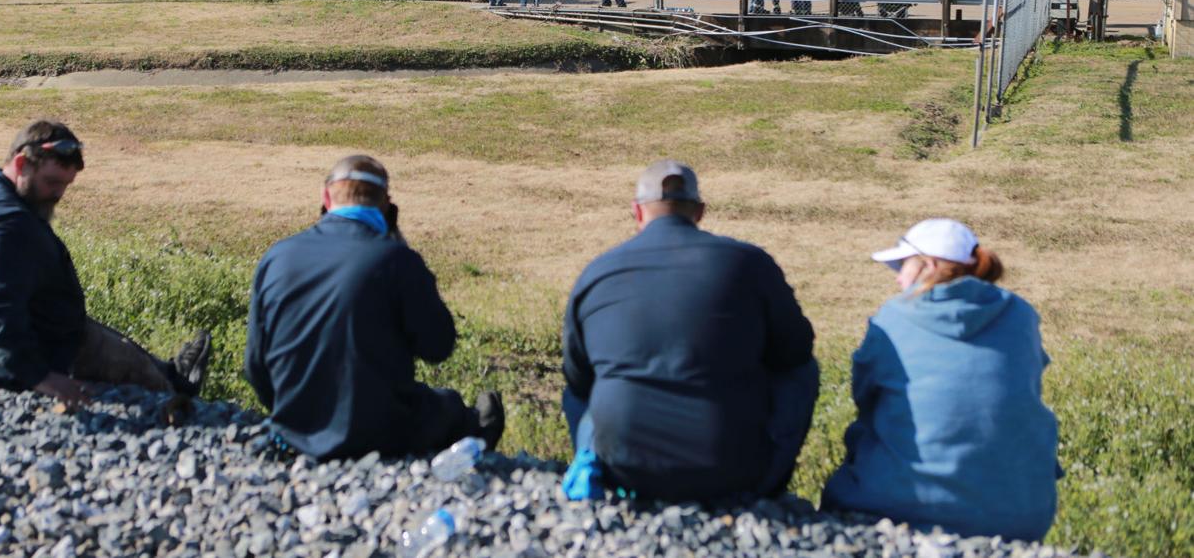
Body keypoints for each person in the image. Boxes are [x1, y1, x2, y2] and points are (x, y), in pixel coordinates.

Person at [562, 161, 817, 502]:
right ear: (699, 211)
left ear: (637, 212)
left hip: (624, 467)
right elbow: (795, 351)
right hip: (729, 469)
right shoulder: (750, 264)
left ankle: (592, 467)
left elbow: (577, 378)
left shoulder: (598, 272)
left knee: (583, 388)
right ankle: (767, 486)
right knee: (803, 371)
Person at [0, 121, 214, 407]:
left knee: (103, 339)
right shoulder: (9, 227)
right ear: (21, 163)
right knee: (154, 386)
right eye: (52, 182)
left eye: (65, 185)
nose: (58, 194)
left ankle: (171, 371)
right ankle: (175, 389)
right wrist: (40, 376)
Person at [244, 155, 505, 459]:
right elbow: (438, 347)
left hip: (293, 428)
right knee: (450, 407)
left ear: (326, 197)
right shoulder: (398, 260)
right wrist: (400, 246)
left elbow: (255, 365)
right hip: (382, 433)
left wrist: (289, 412)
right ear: (387, 205)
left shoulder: (277, 256)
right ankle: (479, 438)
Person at [822, 219, 1059, 542]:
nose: (898, 279)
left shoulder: (894, 317)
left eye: (902, 266)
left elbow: (865, 398)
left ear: (929, 266)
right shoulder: (1022, 315)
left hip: (902, 510)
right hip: (1024, 517)